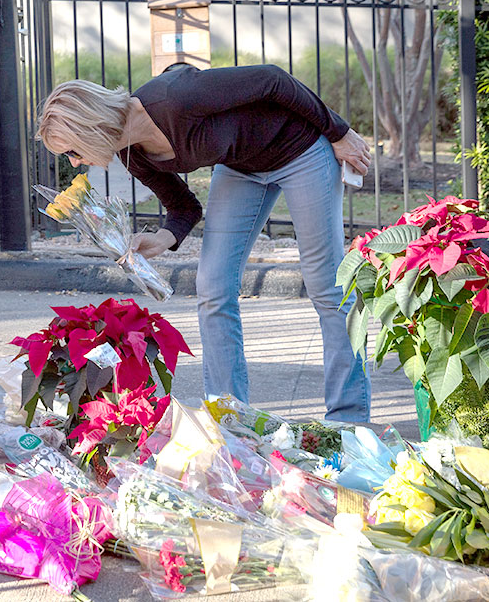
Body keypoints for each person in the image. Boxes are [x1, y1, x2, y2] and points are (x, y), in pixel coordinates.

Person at [35, 64, 373, 422]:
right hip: (242, 168)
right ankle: (229, 416)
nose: (74, 162)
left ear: (89, 129)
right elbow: (183, 207)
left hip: (299, 150)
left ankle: (348, 419)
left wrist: (339, 133)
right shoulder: (133, 153)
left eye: (72, 151)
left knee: (327, 287)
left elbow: (273, 80)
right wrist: (163, 238)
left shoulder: (175, 98)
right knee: (212, 287)